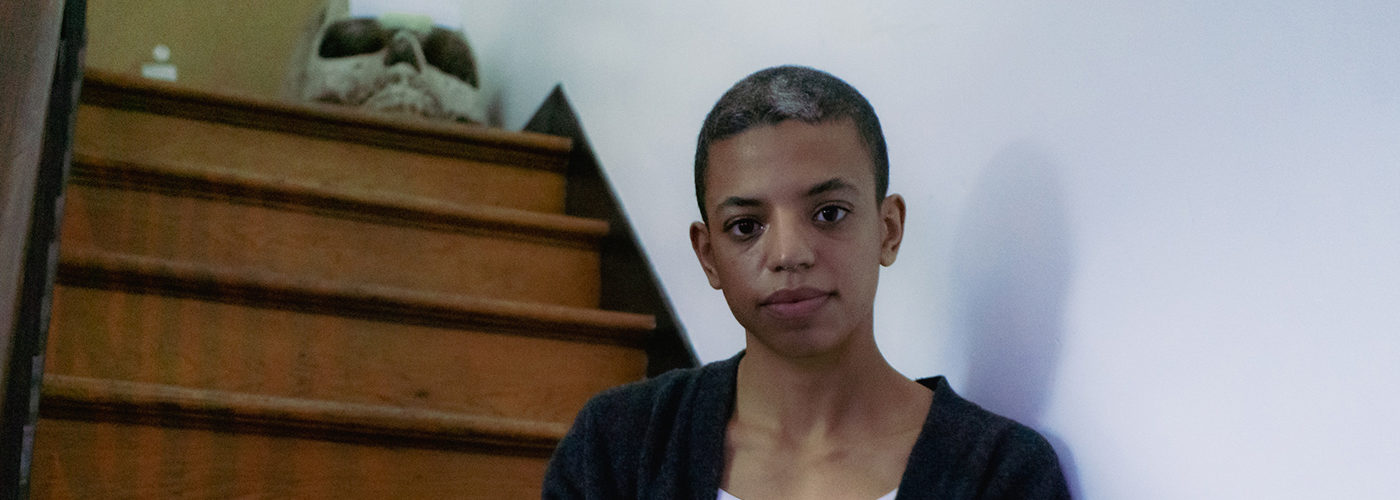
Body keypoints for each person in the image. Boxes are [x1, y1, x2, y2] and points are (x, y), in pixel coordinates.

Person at [542, 65, 1069, 499]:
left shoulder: (1001, 473)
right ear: (708, 256)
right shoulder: (616, 448)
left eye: (829, 213)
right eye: (746, 226)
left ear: (888, 230)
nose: (789, 254)